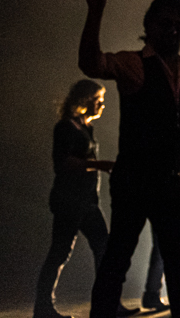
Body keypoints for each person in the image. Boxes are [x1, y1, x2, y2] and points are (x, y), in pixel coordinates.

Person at [79, 0, 180, 318]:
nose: (174, 29)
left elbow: (166, 126)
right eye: (166, 23)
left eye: (179, 24)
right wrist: (96, 10)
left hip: (165, 179)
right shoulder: (134, 64)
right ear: (149, 26)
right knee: (120, 259)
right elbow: (90, 63)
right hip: (136, 178)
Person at [33, 80, 130, 318]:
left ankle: (108, 304)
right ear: (85, 99)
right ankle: (44, 307)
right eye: (98, 99)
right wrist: (100, 165)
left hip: (87, 202)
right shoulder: (66, 128)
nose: (102, 104)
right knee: (62, 251)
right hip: (70, 201)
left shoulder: (84, 127)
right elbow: (63, 163)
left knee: (102, 249)